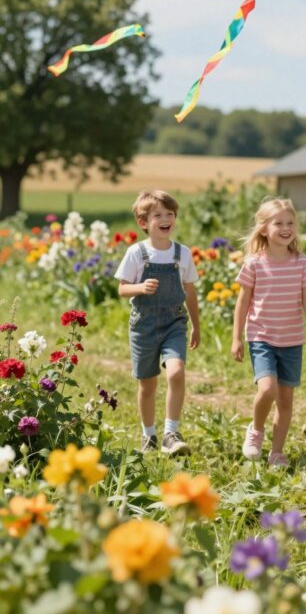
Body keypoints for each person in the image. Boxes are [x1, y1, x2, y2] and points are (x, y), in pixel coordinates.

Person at [232, 198, 306, 468]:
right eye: (278, 223)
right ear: (263, 229)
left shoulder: (301, 263)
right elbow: (243, 302)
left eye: (290, 223)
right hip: (262, 337)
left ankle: (277, 452)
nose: (286, 227)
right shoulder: (255, 263)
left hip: (292, 341)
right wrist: (236, 337)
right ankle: (256, 430)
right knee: (267, 389)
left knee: (285, 401)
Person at [115, 189, 200, 455]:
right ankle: (148, 434)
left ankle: (171, 433)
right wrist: (140, 287)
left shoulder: (182, 253)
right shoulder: (137, 253)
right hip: (144, 325)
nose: (166, 219)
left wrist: (196, 324)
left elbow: (190, 291)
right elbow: (122, 288)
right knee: (148, 384)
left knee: (176, 372)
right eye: (158, 215)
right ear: (143, 223)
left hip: (174, 321)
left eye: (170, 214)